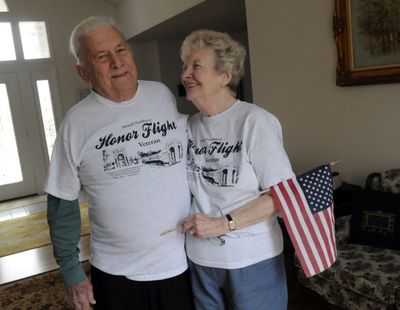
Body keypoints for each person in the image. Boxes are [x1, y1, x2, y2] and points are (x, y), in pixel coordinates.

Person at [45, 16, 194, 310]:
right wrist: (72, 273)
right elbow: (61, 203)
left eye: (121, 50)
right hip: (117, 274)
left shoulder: (162, 95)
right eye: (102, 57)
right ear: (83, 72)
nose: (117, 62)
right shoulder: (76, 123)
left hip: (180, 265)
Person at [179, 29, 294, 310]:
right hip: (201, 261)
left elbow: (282, 196)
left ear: (225, 75)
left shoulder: (254, 122)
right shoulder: (187, 126)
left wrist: (221, 224)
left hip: (252, 260)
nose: (185, 74)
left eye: (196, 66)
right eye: (184, 66)